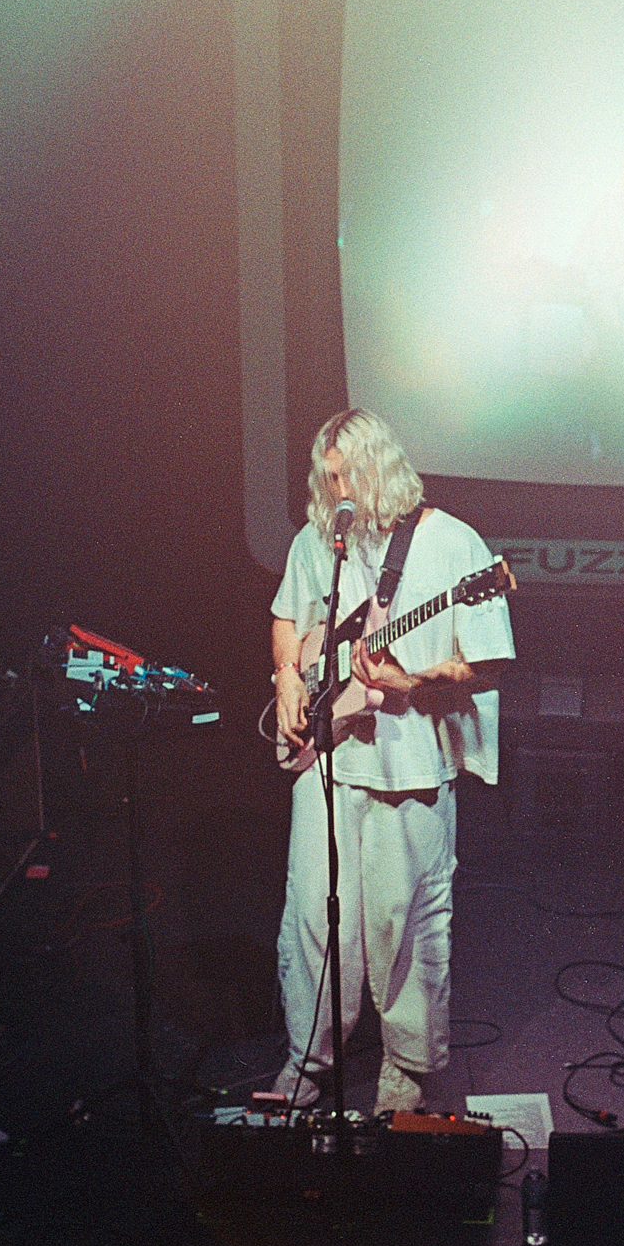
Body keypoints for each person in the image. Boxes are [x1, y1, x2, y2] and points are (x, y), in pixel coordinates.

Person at [268, 409, 514, 1113]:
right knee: (313, 913)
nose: (333, 489)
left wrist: (417, 682)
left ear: (379, 469)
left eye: (344, 476)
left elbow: (491, 663)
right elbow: (288, 617)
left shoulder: (454, 545)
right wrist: (289, 676)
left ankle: (408, 1064)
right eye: (326, 477)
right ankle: (308, 1058)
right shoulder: (320, 540)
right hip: (329, 757)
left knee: (406, 918)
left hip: (408, 764)